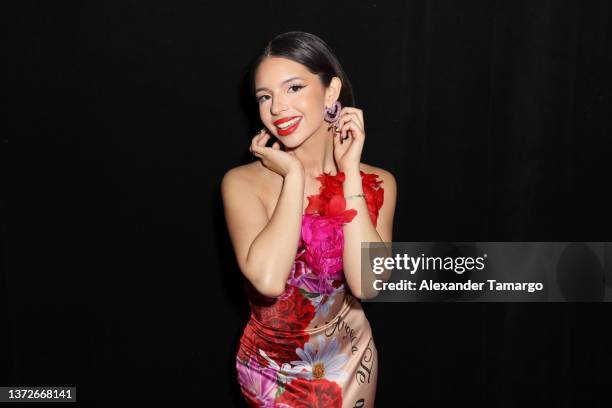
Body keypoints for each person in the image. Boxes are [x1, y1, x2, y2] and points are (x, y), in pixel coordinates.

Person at [221, 31, 396, 408]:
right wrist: (294, 177)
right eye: (265, 96)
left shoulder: (378, 181)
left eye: (294, 87)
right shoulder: (241, 183)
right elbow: (268, 281)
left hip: (350, 357)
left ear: (331, 93)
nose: (277, 107)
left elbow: (368, 285)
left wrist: (349, 173)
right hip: (272, 371)